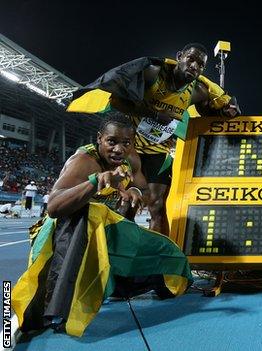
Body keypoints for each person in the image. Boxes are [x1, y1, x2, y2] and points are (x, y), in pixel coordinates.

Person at [12, 115, 192, 337]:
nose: (119, 149)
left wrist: (132, 192)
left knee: (170, 254)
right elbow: (55, 207)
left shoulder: (130, 159)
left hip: (105, 227)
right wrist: (94, 182)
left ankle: (125, 284)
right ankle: (58, 310)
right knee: (88, 212)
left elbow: (144, 190)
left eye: (126, 143)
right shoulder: (83, 161)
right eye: (112, 142)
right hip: (65, 233)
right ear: (99, 139)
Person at [67, 43, 241, 236]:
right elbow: (117, 100)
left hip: (159, 151)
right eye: (191, 59)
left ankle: (159, 260)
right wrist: (154, 114)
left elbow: (209, 113)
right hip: (130, 147)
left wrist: (225, 111)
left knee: (157, 206)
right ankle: (117, 248)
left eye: (200, 65)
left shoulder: (198, 91)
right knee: (127, 203)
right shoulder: (153, 73)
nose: (194, 66)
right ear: (180, 56)